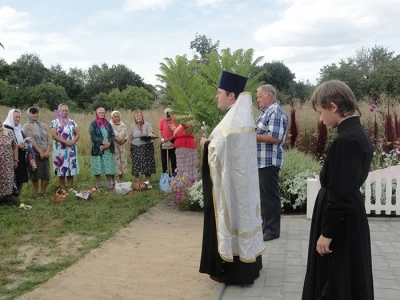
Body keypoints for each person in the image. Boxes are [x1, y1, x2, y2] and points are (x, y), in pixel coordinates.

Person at [302, 80, 374, 300]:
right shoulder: (356, 133)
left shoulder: (347, 141)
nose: (321, 119)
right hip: (349, 217)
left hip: (342, 223)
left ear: (333, 106)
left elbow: (341, 193)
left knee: (335, 277)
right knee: (345, 275)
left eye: (321, 111)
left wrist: (327, 233)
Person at [199, 71, 264, 285]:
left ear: (231, 95)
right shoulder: (238, 115)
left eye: (219, 93)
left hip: (233, 186)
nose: (216, 97)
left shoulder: (234, 119)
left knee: (233, 220)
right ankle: (249, 265)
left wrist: (206, 145)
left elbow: (219, 148)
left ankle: (234, 271)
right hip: (243, 183)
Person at [255, 84, 288, 241]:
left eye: (260, 96)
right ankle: (266, 226)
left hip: (269, 161)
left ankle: (272, 230)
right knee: (264, 196)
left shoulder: (275, 112)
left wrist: (252, 135)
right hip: (261, 161)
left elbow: (275, 138)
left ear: (269, 95)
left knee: (270, 196)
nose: (258, 99)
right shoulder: (265, 112)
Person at [49, 104, 80, 191]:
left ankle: (70, 187)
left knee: (71, 167)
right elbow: (54, 135)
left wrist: (73, 141)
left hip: (71, 148)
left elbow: (78, 134)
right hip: (60, 149)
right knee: (61, 167)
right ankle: (62, 188)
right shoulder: (54, 122)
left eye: (66, 111)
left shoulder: (72, 122)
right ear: (59, 111)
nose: (64, 112)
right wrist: (65, 141)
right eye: (62, 110)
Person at [23, 107, 52, 198]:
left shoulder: (42, 125)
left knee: (46, 175)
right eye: (33, 113)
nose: (35, 115)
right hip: (35, 154)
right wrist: (40, 152)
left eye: (37, 113)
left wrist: (47, 151)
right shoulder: (26, 126)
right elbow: (31, 141)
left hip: (45, 153)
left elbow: (49, 139)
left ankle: (42, 192)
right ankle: (37, 193)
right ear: (29, 114)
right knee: (35, 175)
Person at [128, 110, 156, 189]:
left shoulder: (147, 124)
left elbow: (150, 133)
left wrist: (151, 135)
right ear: (135, 118)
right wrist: (129, 149)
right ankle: (138, 183)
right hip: (136, 147)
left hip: (147, 147)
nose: (138, 117)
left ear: (142, 116)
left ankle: (148, 183)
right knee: (137, 166)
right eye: (136, 116)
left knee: (147, 165)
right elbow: (130, 138)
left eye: (139, 116)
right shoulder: (132, 126)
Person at [89, 106, 116, 190]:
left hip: (108, 148)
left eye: (102, 113)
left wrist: (109, 143)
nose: (101, 114)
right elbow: (93, 136)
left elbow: (112, 135)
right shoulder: (93, 124)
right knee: (97, 167)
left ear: (104, 114)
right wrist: (102, 142)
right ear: (97, 113)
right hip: (97, 148)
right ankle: (98, 184)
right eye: (99, 113)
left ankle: (109, 184)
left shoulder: (108, 124)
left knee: (108, 167)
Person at [4, 109, 29, 195]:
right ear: (11, 117)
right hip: (10, 156)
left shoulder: (19, 128)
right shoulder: (5, 128)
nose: (18, 119)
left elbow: (21, 139)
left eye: (19, 117)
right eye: (16, 117)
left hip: (20, 155)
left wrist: (24, 143)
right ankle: (9, 196)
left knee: (20, 177)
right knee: (11, 177)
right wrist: (17, 145)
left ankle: (18, 196)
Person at [0, 115, 19, 206]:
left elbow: (15, 147)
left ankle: (8, 199)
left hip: (7, 162)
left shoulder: (9, 132)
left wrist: (16, 160)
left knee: (8, 179)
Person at [110, 111, 128, 183]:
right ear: (112, 117)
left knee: (121, 163)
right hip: (113, 147)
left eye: (118, 116)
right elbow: (109, 135)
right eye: (115, 117)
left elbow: (126, 135)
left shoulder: (123, 125)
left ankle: (121, 180)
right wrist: (115, 138)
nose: (117, 118)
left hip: (121, 147)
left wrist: (124, 140)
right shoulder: (109, 125)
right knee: (114, 163)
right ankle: (113, 181)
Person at [158, 108, 177, 176]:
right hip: (164, 142)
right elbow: (160, 131)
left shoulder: (174, 120)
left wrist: (169, 139)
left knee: (173, 161)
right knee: (164, 161)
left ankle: (175, 176)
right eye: (166, 113)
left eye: (168, 113)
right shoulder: (162, 120)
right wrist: (162, 139)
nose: (167, 115)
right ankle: (166, 176)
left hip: (172, 141)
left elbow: (175, 132)